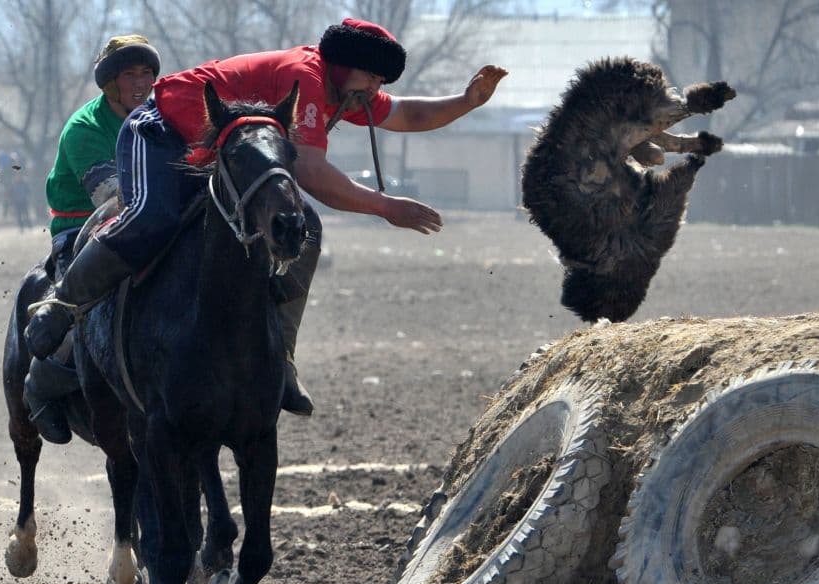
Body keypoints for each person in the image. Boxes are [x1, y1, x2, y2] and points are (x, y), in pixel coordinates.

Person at [25, 17, 508, 419]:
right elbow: (313, 172)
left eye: (380, 83)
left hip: (214, 147)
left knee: (306, 229)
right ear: (345, 67)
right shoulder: (308, 78)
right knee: (153, 218)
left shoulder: (346, 88)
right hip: (160, 131)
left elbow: (406, 115)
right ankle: (60, 306)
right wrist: (386, 207)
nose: (377, 90)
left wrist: (466, 102)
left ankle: (281, 361)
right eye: (373, 79)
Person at [24, 34, 160, 444]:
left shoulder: (161, 118)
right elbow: (114, 199)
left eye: (147, 73)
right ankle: (41, 383)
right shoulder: (84, 128)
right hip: (82, 228)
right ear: (110, 84)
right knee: (80, 305)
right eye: (129, 74)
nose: (141, 83)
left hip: (148, 222)